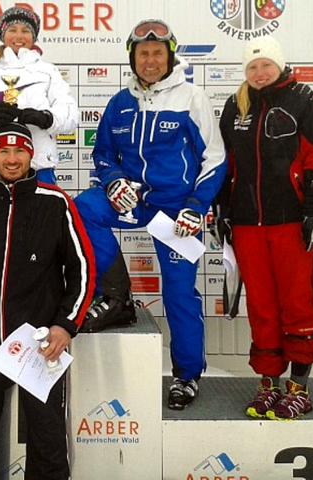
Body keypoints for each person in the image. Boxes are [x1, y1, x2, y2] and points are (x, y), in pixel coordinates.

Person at [74, 19, 226, 410]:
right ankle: (117, 296)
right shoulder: (120, 102)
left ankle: (186, 376)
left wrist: (197, 205)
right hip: (134, 200)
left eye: (158, 53)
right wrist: (112, 182)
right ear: (133, 58)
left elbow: (215, 159)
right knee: (82, 209)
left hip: (177, 210)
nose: (150, 60)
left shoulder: (192, 98)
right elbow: (103, 153)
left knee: (179, 293)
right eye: (143, 53)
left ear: (170, 57)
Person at [0, 122, 94, 479]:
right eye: (4, 152)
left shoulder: (55, 202)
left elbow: (83, 268)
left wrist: (64, 325)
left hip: (39, 345)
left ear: (31, 155)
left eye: (20, 151)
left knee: (47, 443)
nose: (12, 160)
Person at [213, 36, 313, 420]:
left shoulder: (301, 98)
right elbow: (225, 164)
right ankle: (269, 384)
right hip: (248, 224)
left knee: (297, 302)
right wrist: (222, 209)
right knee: (262, 306)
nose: (260, 72)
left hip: (291, 222)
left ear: (279, 65)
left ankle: (299, 388)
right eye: (252, 67)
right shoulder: (235, 105)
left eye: (266, 64)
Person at [0, 6, 78, 184]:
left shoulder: (48, 71)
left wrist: (47, 119)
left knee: (44, 204)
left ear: (34, 36)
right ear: (2, 34)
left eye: (25, 31)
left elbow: (70, 115)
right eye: (12, 30)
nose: (19, 36)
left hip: (39, 165)